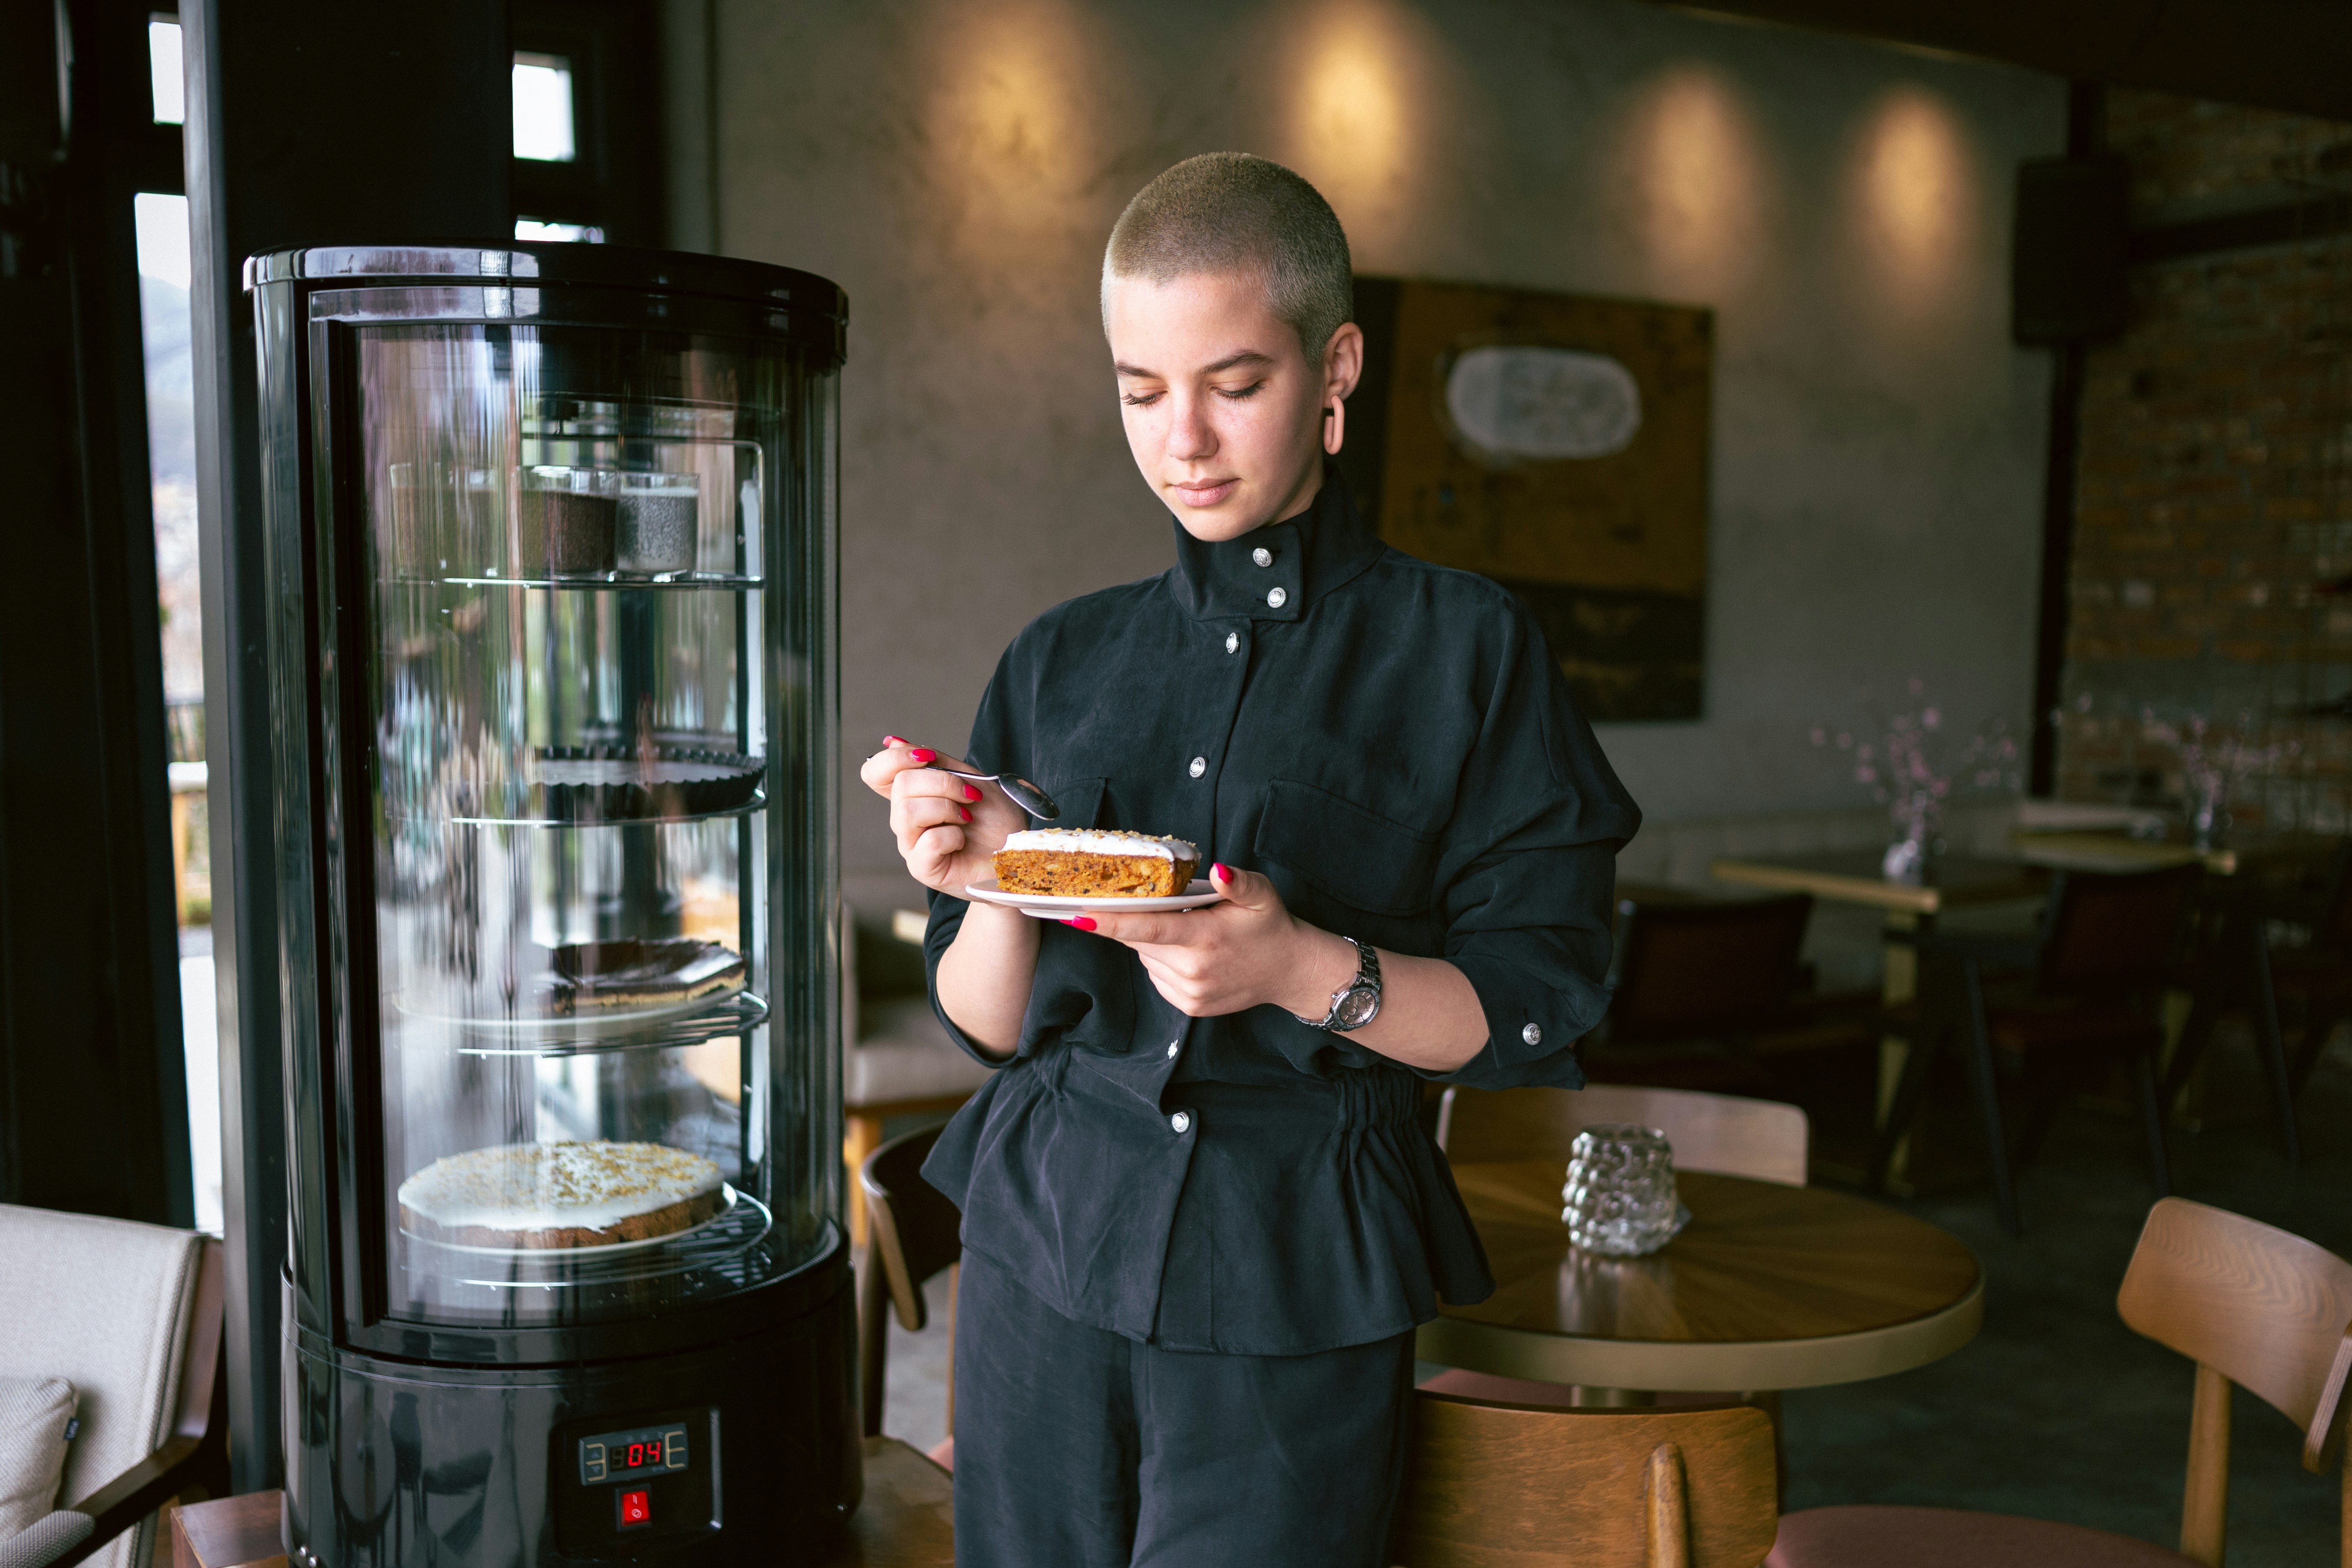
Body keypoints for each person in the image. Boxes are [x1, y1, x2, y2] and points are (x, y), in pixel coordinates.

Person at [859, 151, 1640, 1567]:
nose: (1185, 442)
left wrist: (1296, 968)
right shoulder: (1061, 655)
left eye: (1235, 383)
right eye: (1141, 391)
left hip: (1296, 1269)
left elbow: (1540, 999)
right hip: (1042, 1244)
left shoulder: (1465, 649)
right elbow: (987, 1024)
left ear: (1335, 366)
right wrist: (987, 886)